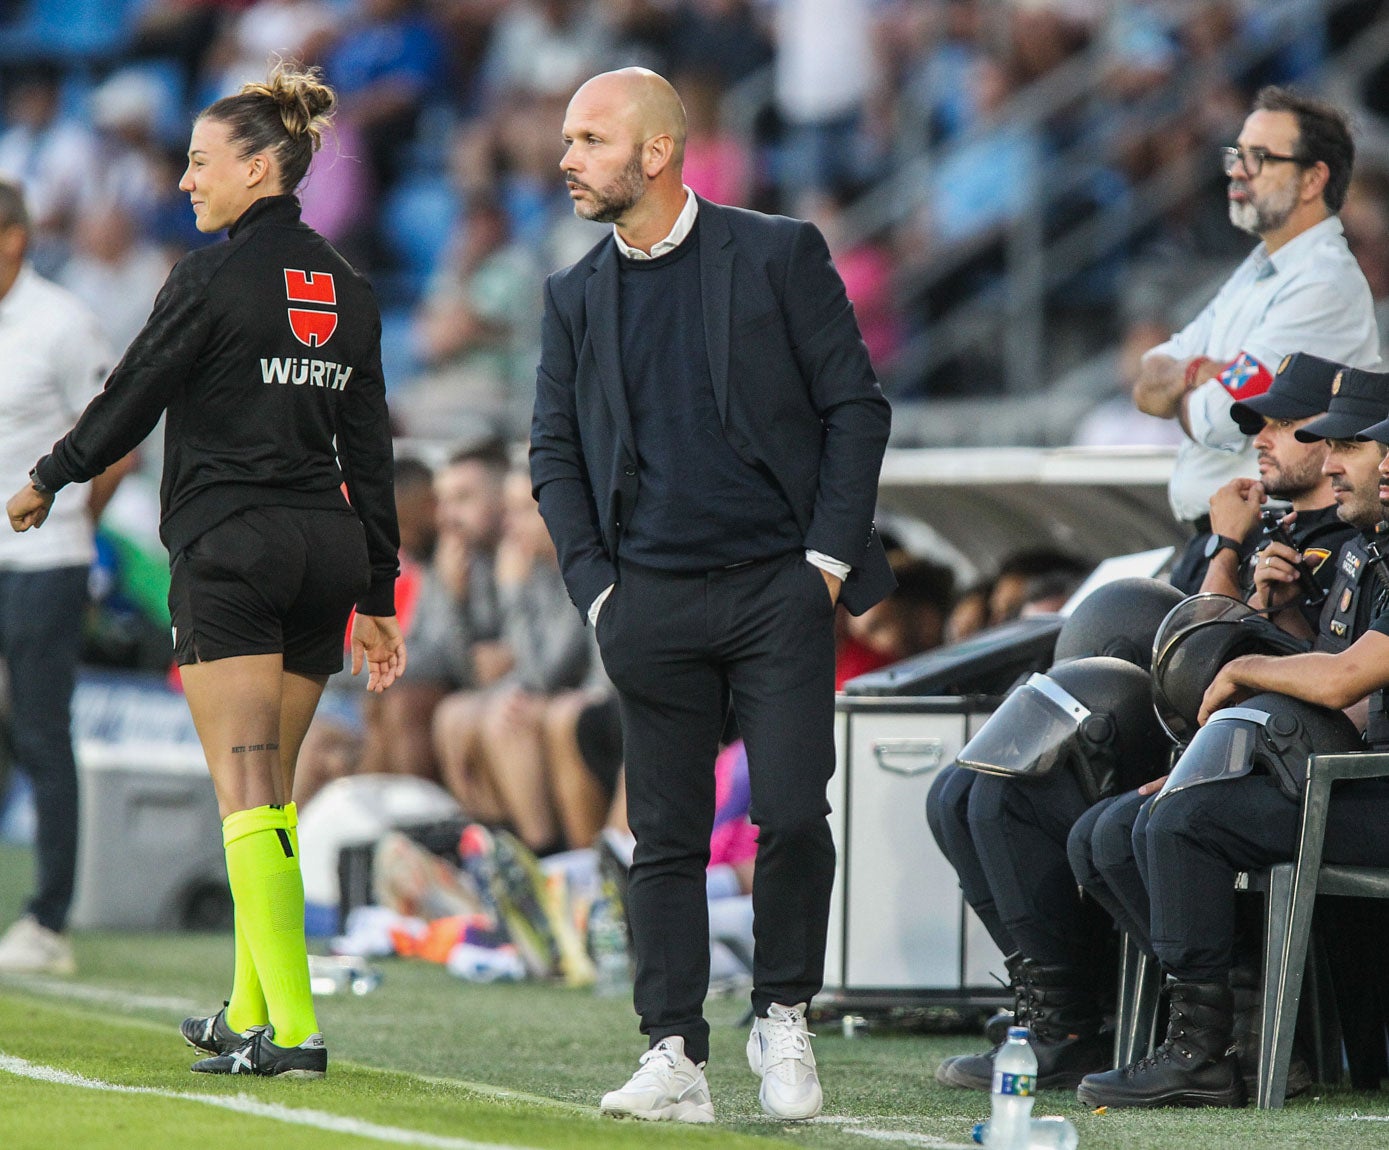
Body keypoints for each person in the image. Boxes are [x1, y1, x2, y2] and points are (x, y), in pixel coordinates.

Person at [4, 64, 405, 1079]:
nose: (185, 182)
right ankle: (244, 1010)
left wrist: (50, 475)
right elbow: (372, 450)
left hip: (233, 543)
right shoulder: (348, 289)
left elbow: (134, 391)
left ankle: (299, 1031)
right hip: (325, 549)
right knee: (268, 796)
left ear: (259, 167)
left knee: (247, 786)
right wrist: (376, 590)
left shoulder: (211, 277)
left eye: (198, 162)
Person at [531, 68, 892, 1123]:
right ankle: (674, 1051)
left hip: (777, 586)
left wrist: (823, 563)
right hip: (647, 598)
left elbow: (855, 410)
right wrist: (597, 592)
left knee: (791, 813)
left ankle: (783, 1014)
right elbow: (553, 451)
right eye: (566, 138)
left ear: (655, 153)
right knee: (666, 839)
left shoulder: (780, 253)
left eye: (589, 139)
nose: (566, 158)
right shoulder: (572, 295)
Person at [1078, 367, 1389, 1109]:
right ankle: (1241, 1028)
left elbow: (1346, 682)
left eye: (1349, 446)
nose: (1335, 462)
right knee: (1133, 821)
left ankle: (1201, 1054)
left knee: (1186, 821)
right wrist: (1217, 759)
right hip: (1354, 779)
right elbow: (1340, 713)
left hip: (1370, 794)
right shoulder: (1362, 552)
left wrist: (1248, 665)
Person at [1132, 87, 1379, 593]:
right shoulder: (1258, 268)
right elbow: (1145, 380)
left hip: (1277, 553)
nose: (1238, 170)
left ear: (1314, 178)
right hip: (1223, 541)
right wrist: (1202, 373)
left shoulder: (1323, 281)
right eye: (1237, 155)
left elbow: (1223, 416)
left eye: (1260, 158)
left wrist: (1193, 376)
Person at [0, 180, 120, 976]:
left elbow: (113, 435)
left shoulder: (62, 323)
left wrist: (71, 516)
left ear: (14, 237)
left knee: (41, 732)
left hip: (45, 560)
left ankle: (49, 922)